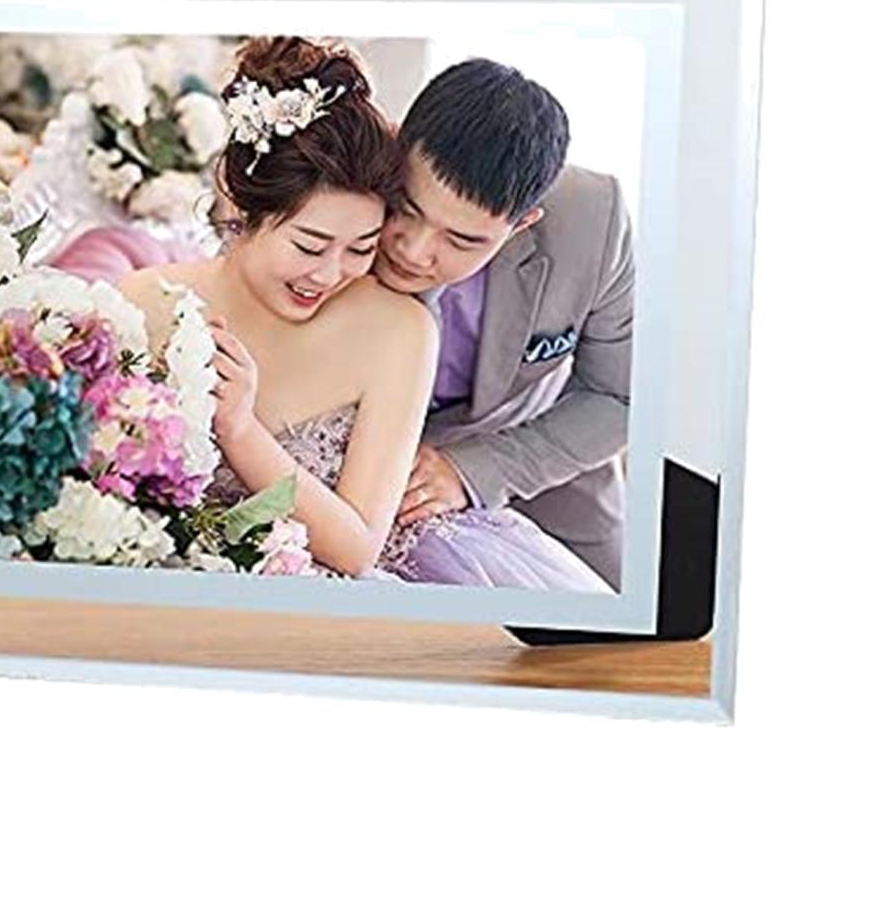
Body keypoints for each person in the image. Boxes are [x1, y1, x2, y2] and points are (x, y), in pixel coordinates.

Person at [120, 37, 609, 590]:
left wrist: (239, 429)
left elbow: (357, 548)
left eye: (361, 248)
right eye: (309, 245)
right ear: (245, 205)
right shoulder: (144, 301)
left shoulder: (399, 328)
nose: (330, 274)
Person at [374, 58, 633, 588]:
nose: (413, 251)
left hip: (549, 471)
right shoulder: (344, 176)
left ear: (522, 224)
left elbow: (623, 397)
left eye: (462, 239)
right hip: (373, 486)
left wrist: (475, 469)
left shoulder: (594, 219)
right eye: (405, 208)